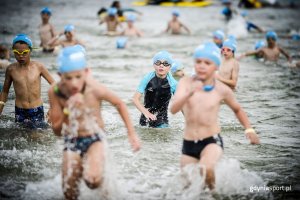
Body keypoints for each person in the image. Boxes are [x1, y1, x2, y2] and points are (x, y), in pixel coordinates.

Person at [48, 45, 141, 200]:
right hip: (71, 140)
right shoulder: (55, 92)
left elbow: (119, 103)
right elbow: (57, 132)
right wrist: (67, 111)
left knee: (93, 181)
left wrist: (131, 134)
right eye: (68, 78)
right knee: (69, 193)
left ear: (86, 72)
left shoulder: (94, 88)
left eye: (78, 77)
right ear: (60, 75)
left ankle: (103, 186)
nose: (74, 84)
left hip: (95, 139)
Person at [170, 42, 260, 190]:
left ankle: (213, 196)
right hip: (189, 143)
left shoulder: (221, 89)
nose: (202, 65)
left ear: (216, 67)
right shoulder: (185, 83)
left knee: (206, 168)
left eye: (207, 62)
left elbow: (237, 109)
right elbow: (173, 109)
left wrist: (249, 130)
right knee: (186, 185)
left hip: (211, 141)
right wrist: (189, 94)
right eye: (198, 62)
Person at [0, 34, 55, 128]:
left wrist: (53, 107)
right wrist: (1, 106)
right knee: (21, 136)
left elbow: (55, 85)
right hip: (20, 110)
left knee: (37, 137)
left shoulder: (39, 67)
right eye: (17, 52)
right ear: (13, 51)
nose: (21, 56)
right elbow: (5, 91)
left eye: (24, 52)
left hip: (36, 109)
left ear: (30, 51)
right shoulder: (11, 69)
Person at [133, 51, 177, 128]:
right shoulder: (147, 78)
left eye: (166, 64)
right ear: (153, 65)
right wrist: (146, 113)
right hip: (145, 117)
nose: (161, 66)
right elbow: (135, 99)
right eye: (158, 62)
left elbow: (181, 104)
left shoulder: (173, 83)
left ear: (170, 67)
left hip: (162, 119)